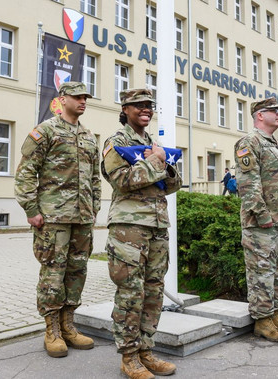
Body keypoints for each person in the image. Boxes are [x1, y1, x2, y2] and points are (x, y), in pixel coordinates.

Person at [15, 82, 101, 358]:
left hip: (82, 218)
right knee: (53, 273)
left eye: (85, 97)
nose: (83, 102)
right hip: (52, 218)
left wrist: (94, 207)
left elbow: (95, 179)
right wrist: (31, 209)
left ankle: (69, 326)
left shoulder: (89, 137)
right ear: (62, 100)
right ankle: (51, 329)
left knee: (77, 272)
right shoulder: (46, 131)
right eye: (77, 97)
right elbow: (26, 171)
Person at [101, 88, 182, 379]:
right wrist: (157, 162)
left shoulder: (153, 143)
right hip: (128, 229)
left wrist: (161, 161)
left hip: (158, 227)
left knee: (153, 292)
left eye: (150, 106)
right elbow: (122, 181)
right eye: (140, 106)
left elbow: (173, 185)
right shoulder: (116, 142)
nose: (146, 110)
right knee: (130, 294)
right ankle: (128, 356)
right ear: (126, 108)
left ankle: (146, 350)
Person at [234, 97, 278, 343]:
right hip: (262, 224)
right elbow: (248, 185)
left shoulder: (276, 144)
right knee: (261, 272)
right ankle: (262, 321)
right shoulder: (249, 142)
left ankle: (274, 314)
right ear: (260, 115)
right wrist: (263, 217)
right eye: (274, 111)